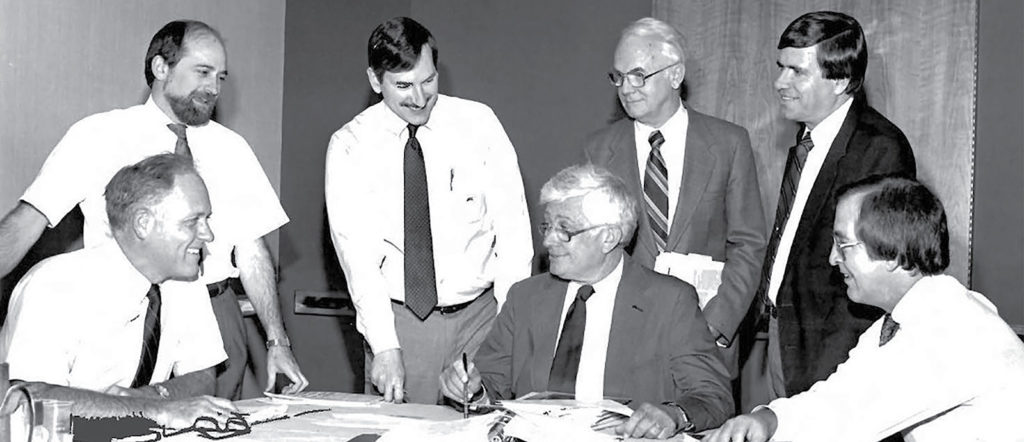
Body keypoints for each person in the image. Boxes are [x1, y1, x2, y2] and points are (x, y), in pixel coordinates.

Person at [0, 20, 307, 399]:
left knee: (215, 425)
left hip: (217, 309)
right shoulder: (97, 135)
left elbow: (252, 252)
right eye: (202, 72)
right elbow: (28, 220)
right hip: (124, 319)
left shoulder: (233, 149)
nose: (213, 88)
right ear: (161, 68)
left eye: (221, 77)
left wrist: (278, 342)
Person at [707, 176, 1024, 442]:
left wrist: (771, 423)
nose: (833, 259)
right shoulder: (901, 321)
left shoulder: (955, 331)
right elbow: (840, 394)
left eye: (843, 245)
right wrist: (769, 419)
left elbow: (849, 422)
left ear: (893, 255)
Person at [325, 17, 532, 404]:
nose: (419, 98)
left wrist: (508, 328)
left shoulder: (479, 124)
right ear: (375, 80)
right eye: (403, 86)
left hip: (481, 315)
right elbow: (357, 259)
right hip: (402, 322)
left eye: (428, 81)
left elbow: (514, 232)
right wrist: (385, 346)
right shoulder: (350, 146)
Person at [439, 165, 733, 437]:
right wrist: (470, 389)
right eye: (547, 227)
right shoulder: (525, 298)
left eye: (564, 229)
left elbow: (713, 397)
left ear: (608, 237)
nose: (548, 241)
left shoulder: (670, 301)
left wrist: (674, 414)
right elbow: (490, 381)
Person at [746, 11, 916, 407]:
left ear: (840, 80)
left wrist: (834, 379)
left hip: (828, 357)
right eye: (780, 68)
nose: (779, 83)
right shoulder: (807, 136)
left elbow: (877, 276)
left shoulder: (880, 148)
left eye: (796, 72)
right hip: (777, 338)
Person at [583, 17, 766, 377]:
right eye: (618, 76)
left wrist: (717, 322)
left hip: (707, 340)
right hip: (623, 342)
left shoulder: (729, 143)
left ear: (675, 75)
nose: (626, 87)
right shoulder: (599, 150)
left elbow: (749, 244)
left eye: (638, 74)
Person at [0, 155, 239, 429]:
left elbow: (203, 375)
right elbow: (30, 399)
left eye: (207, 219)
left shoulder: (186, 277)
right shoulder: (54, 285)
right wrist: (152, 410)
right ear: (143, 223)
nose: (208, 235)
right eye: (192, 222)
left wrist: (147, 400)